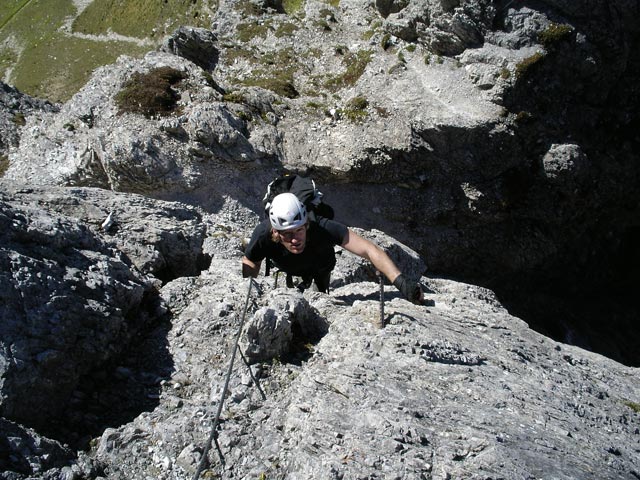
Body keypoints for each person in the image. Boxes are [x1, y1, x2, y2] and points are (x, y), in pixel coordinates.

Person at [241, 192, 423, 304]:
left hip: (320, 266)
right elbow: (251, 260)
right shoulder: (263, 234)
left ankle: (320, 292)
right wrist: (249, 292)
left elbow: (369, 249)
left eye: (298, 231)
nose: (295, 239)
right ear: (275, 232)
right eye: (287, 234)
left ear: (306, 225)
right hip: (288, 264)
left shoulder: (322, 227)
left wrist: (401, 283)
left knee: (321, 294)